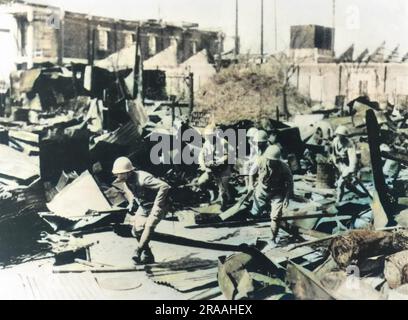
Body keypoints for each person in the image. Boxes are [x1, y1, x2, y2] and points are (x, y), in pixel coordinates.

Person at [112, 157, 170, 264]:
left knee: (149, 226)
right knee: (137, 230)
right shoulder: (126, 180)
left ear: (128, 172)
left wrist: (158, 204)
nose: (117, 176)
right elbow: (134, 193)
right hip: (144, 207)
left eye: (119, 173)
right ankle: (148, 255)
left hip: (158, 206)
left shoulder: (143, 179)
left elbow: (164, 186)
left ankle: (138, 251)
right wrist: (132, 203)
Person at [250, 145, 294, 244]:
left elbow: (290, 182)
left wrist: (287, 198)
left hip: (277, 193)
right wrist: (250, 185)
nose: (271, 162)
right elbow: (251, 173)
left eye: (274, 161)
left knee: (275, 216)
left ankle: (273, 238)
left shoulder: (284, 167)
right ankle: (255, 234)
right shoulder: (260, 161)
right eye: (269, 160)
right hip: (262, 191)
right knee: (255, 213)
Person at [196, 124, 234, 210]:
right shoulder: (206, 143)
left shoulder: (222, 142)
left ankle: (224, 205)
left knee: (223, 190)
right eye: (207, 136)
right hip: (212, 169)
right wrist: (203, 166)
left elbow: (227, 155)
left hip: (223, 169)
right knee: (201, 182)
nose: (208, 137)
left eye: (210, 135)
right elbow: (201, 155)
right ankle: (212, 193)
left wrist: (218, 162)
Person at [330, 126, 367, 203]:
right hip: (339, 164)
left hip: (347, 165)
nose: (340, 137)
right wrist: (335, 163)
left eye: (342, 136)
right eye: (339, 135)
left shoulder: (349, 144)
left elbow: (352, 159)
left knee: (341, 183)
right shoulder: (335, 141)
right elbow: (333, 153)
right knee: (347, 184)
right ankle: (360, 193)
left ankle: (338, 202)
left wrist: (351, 170)